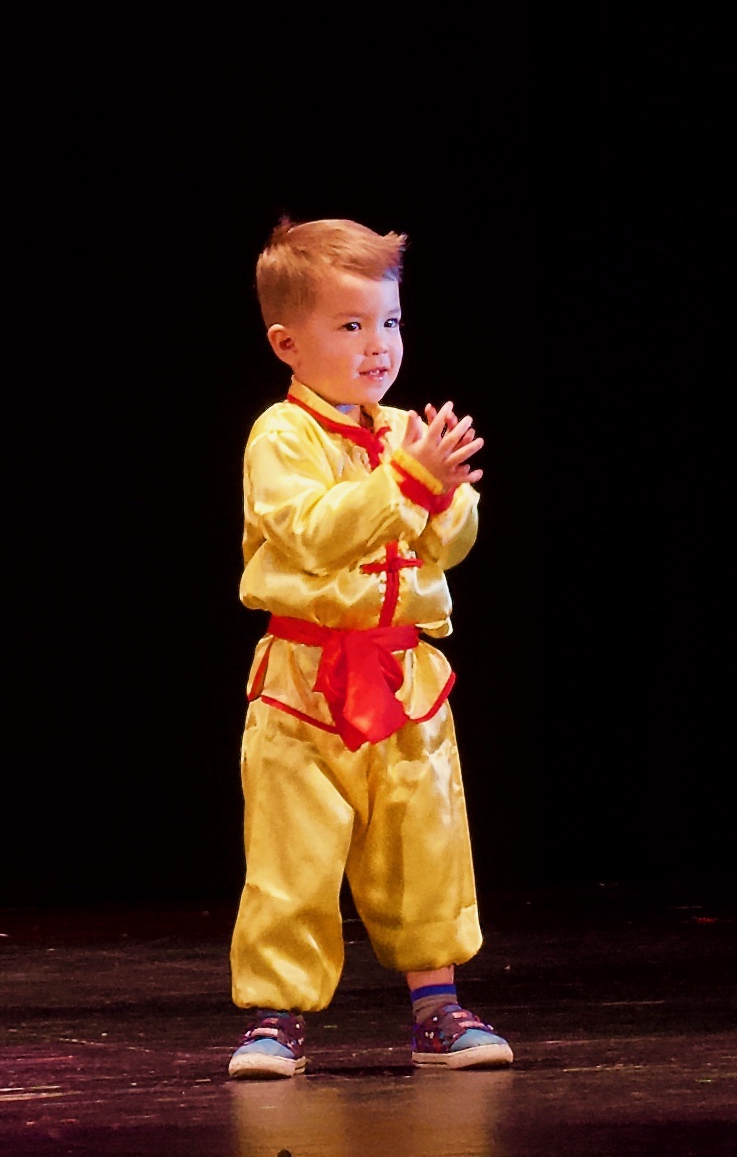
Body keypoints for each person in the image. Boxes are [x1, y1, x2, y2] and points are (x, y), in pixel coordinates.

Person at [227, 214, 513, 1078]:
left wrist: (446, 493)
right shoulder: (281, 437)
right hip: (306, 681)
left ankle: (438, 1008)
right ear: (287, 343)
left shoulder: (400, 434)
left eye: (389, 321)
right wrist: (408, 485)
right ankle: (275, 1016)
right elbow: (315, 531)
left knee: (426, 841)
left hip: (404, 676)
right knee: (293, 853)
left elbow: (446, 545)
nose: (378, 344)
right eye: (351, 325)